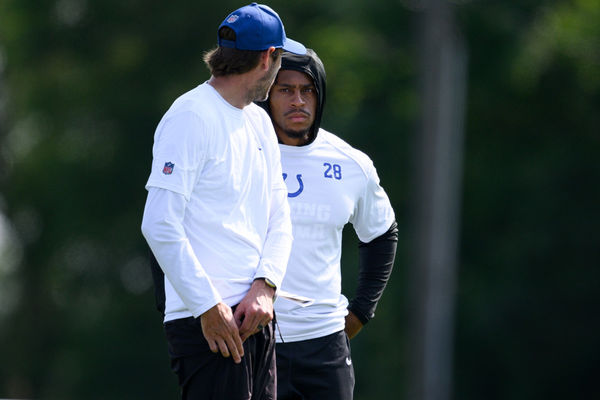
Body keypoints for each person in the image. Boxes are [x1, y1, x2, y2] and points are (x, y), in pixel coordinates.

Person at [141, 4, 306, 399]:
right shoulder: (190, 116)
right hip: (208, 326)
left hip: (256, 319)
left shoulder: (259, 121)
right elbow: (159, 223)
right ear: (268, 59)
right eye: (280, 58)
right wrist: (207, 307)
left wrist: (266, 286)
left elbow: (279, 215)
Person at [257, 49, 398, 400]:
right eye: (285, 90)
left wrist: (362, 311)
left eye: (308, 90)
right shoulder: (240, 155)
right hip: (253, 339)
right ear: (267, 95)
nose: (298, 100)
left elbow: (382, 233)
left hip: (325, 345)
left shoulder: (350, 163)